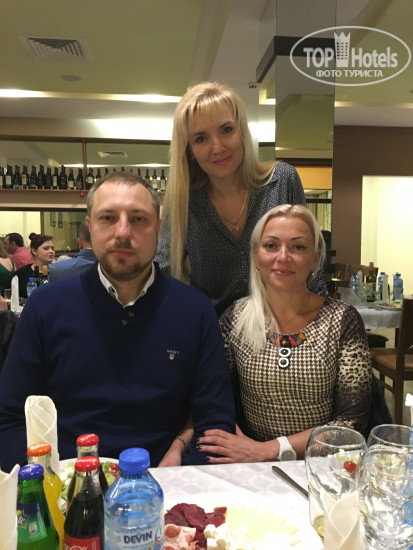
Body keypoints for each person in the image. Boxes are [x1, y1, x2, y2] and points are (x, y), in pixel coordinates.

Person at [0, 172, 235, 473]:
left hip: (166, 481)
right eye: (108, 218)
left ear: (158, 228)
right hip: (66, 483)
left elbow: (215, 422)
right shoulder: (45, 307)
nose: (123, 232)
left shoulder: (195, 310)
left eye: (138, 219)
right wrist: (45, 483)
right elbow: (9, 418)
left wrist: (179, 478)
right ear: (90, 227)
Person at [197, 205, 372, 463]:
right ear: (256, 255)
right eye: (271, 245)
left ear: (315, 258)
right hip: (248, 463)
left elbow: (351, 423)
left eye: (298, 247)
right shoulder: (235, 318)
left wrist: (270, 450)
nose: (283, 256)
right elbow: (213, 395)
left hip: (321, 465)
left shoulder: (342, 321)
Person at [155, 81, 327, 317]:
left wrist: (321, 321)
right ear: (189, 150)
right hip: (214, 334)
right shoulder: (184, 204)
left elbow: (311, 266)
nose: (217, 147)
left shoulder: (283, 181)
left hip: (284, 328)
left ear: (242, 132)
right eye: (201, 138)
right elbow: (160, 273)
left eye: (226, 130)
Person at [14, 233, 55, 298]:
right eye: (46, 248)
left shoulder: (58, 272)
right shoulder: (22, 274)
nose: (51, 251)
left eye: (52, 248)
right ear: (34, 251)